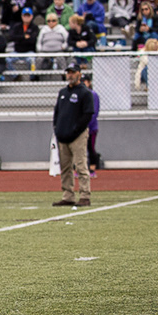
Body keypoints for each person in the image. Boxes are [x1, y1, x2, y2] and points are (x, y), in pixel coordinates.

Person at [52, 61, 93, 207]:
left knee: (81, 166)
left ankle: (85, 195)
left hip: (77, 135)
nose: (70, 75)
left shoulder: (85, 93)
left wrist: (76, 129)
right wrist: (57, 128)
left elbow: (88, 114)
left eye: (73, 72)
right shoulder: (63, 93)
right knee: (65, 167)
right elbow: (57, 112)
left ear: (79, 74)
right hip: (63, 135)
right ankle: (68, 195)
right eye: (68, 72)